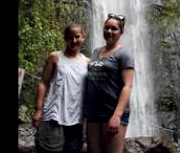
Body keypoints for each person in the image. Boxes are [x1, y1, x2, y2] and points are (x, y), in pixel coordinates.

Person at [33, 23, 90, 153]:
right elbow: (43, 82)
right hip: (54, 115)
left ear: (83, 38)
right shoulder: (55, 57)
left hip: (77, 118)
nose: (74, 41)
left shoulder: (87, 62)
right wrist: (38, 109)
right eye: (70, 37)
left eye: (77, 37)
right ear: (65, 38)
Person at [86, 13, 134, 153]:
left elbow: (127, 86)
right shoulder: (96, 52)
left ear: (121, 32)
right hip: (94, 113)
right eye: (107, 28)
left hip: (113, 112)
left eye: (114, 29)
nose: (109, 32)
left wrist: (117, 115)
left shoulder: (124, 54)